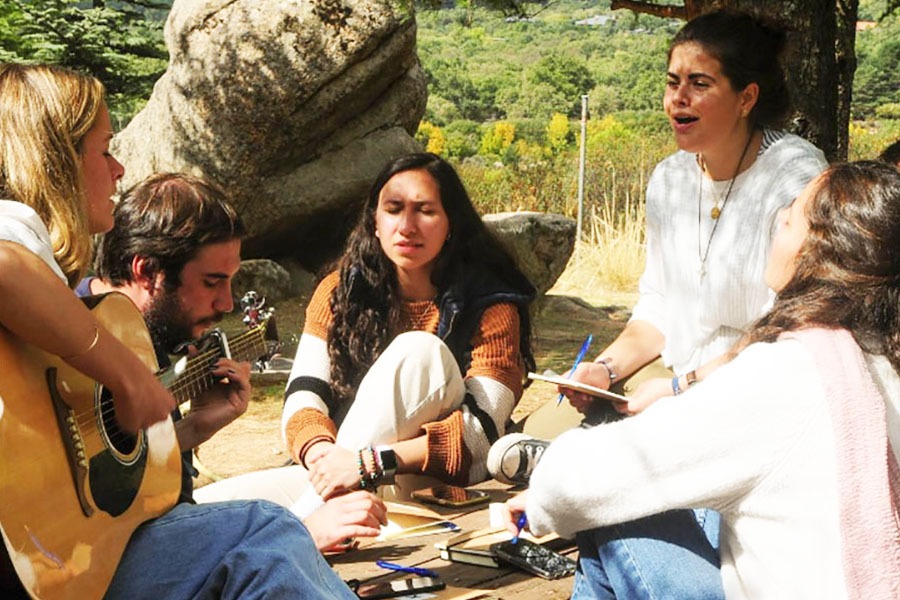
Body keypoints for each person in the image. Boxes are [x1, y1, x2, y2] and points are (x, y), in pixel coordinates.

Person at [0, 63, 356, 599]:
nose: (119, 169)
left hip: (52, 557)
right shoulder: (13, 227)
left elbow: (75, 470)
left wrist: (185, 433)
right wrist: (127, 376)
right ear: (56, 159)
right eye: (103, 149)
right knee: (260, 531)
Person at [502, 161, 900, 599]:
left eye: (788, 221)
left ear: (818, 252)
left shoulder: (791, 371)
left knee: (610, 503)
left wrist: (542, 493)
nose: (776, 227)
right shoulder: (879, 353)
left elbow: (601, 476)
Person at [497, 8, 828, 479]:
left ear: (746, 97)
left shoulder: (796, 175)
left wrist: (679, 388)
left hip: (747, 390)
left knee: (586, 473)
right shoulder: (669, 178)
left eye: (699, 83)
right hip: (667, 379)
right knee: (517, 452)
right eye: (672, 82)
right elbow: (658, 309)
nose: (678, 99)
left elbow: (787, 330)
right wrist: (605, 371)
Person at [198, 151, 536, 507]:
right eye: (393, 209)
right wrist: (321, 455)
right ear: (374, 221)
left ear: (451, 223)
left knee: (420, 351)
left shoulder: (492, 304)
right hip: (339, 469)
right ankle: (313, 515)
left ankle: (304, 529)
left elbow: (482, 434)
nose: (407, 226)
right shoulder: (339, 290)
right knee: (206, 509)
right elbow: (303, 393)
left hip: (429, 479)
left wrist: (369, 463)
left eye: (425, 210)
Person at [84, 171, 387, 552]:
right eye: (212, 282)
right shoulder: (62, 345)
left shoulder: (152, 339)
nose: (226, 304)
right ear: (146, 272)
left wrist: (192, 429)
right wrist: (299, 536)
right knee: (272, 524)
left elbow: (131, 477)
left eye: (230, 282)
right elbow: (106, 527)